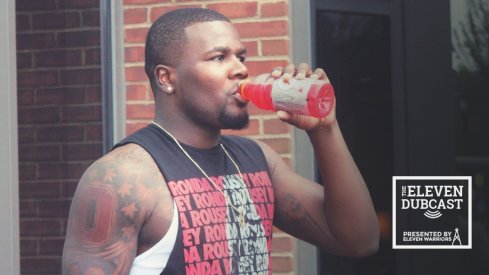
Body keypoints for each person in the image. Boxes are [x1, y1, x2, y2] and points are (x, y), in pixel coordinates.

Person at [62, 8, 379, 275]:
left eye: (240, 56)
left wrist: (324, 130)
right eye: (219, 58)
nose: (240, 69)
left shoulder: (256, 159)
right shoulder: (123, 177)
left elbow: (359, 240)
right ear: (166, 78)